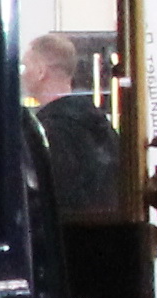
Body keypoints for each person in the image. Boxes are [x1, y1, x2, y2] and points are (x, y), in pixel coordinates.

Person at [20, 33, 126, 219]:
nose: (22, 74)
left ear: (40, 71)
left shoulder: (49, 131)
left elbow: (54, 201)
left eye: (25, 66)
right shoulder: (99, 124)